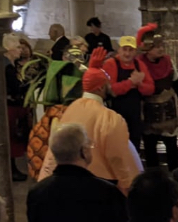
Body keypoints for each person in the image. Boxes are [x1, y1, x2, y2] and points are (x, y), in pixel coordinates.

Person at [38, 48, 143, 193]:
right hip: (101, 185)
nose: (110, 86)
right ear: (100, 88)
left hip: (66, 183)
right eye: (107, 83)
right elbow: (118, 157)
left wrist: (44, 180)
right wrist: (128, 186)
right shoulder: (110, 118)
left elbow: (53, 152)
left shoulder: (69, 110)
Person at [135, 24, 178, 170]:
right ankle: (153, 177)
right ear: (148, 48)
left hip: (168, 109)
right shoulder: (139, 64)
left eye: (162, 46)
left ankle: (175, 174)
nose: (161, 49)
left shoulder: (168, 62)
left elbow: (176, 82)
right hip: (149, 111)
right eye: (157, 47)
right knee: (150, 148)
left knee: (172, 146)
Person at [101, 34, 145, 152]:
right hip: (116, 112)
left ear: (135, 52)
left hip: (135, 114)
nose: (127, 53)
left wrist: (140, 85)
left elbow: (150, 88)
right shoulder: (111, 64)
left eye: (131, 50)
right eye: (124, 49)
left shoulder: (139, 64)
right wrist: (131, 82)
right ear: (119, 50)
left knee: (135, 144)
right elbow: (112, 90)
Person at [4, 34, 30, 181]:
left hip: (11, 106)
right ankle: (11, 170)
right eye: (18, 47)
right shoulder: (7, 67)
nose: (20, 50)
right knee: (12, 139)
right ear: (8, 48)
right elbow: (14, 88)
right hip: (10, 106)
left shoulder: (9, 65)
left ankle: (12, 168)